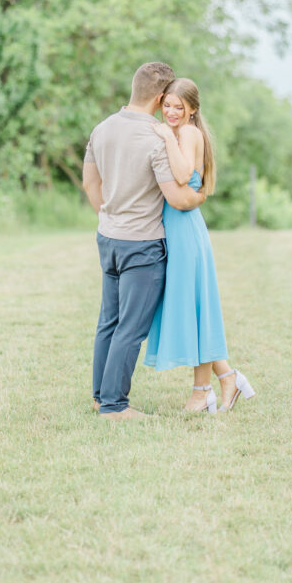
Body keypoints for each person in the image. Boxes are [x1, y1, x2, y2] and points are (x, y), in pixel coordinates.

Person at [83, 63, 207, 421]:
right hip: (142, 245)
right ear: (159, 98)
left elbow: (90, 183)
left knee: (109, 321)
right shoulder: (156, 137)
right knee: (131, 327)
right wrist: (201, 195)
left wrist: (111, 217)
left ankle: (100, 397)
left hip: (108, 237)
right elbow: (178, 198)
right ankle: (114, 406)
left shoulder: (102, 128)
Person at [144, 77, 255, 413]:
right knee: (192, 309)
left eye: (179, 107)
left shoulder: (189, 134)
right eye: (167, 106)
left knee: (196, 307)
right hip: (175, 229)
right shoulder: (176, 131)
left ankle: (202, 391)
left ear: (192, 109)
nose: (171, 112)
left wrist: (167, 135)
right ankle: (228, 377)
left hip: (186, 232)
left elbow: (182, 175)